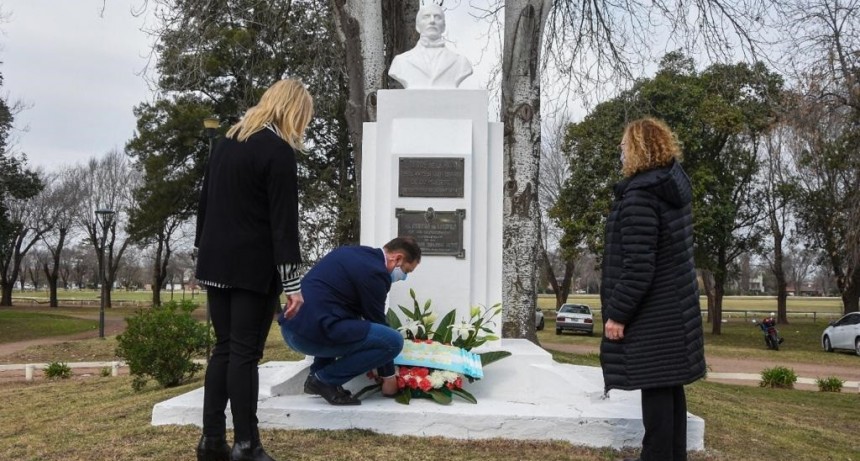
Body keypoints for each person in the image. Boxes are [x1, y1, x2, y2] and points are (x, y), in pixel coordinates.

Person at [194, 79, 313, 461]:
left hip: (215, 262)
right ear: (293, 111)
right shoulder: (277, 151)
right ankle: (247, 444)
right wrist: (293, 285)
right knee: (245, 354)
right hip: (252, 268)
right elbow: (283, 225)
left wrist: (204, 252)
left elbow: (204, 205)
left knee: (224, 351)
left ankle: (211, 440)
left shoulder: (225, 144)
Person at [599, 117, 706, 461]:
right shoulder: (669, 190)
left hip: (653, 312)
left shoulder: (640, 197)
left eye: (623, 144)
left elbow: (638, 266)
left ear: (638, 148)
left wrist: (618, 314)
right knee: (668, 384)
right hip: (674, 309)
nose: (619, 149)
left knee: (657, 388)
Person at [279, 237, 421, 405]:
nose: (403, 277)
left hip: (291, 328)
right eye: (406, 271)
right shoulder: (376, 272)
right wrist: (389, 378)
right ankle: (324, 380)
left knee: (343, 321)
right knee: (392, 341)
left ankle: (317, 375)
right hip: (310, 336)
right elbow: (377, 322)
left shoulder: (350, 252)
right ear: (397, 258)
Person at [388, 3, 473, 89]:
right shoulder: (401, 62)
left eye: (437, 17)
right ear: (417, 26)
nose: (432, 21)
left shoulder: (461, 62)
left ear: (444, 26)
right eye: (426, 17)